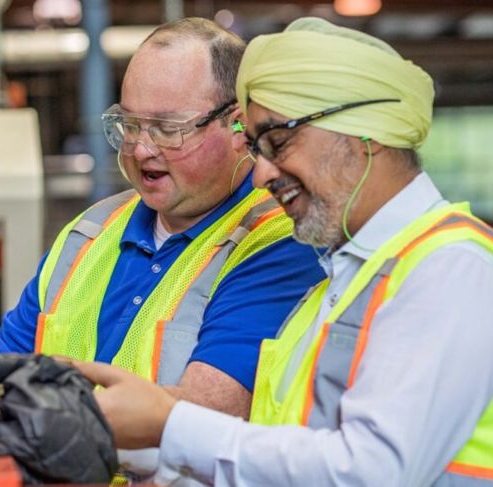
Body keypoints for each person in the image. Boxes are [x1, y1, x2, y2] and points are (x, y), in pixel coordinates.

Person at [70, 17, 493, 486]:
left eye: (278, 143)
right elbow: (287, 448)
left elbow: (370, 471)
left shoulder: (449, 269)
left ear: (362, 135)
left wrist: (170, 425)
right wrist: (148, 447)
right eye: (256, 148)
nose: (261, 176)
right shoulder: (341, 283)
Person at [0, 17, 324, 422]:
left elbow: (200, 420)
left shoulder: (277, 243)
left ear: (237, 124)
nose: (141, 150)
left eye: (166, 128)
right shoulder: (94, 229)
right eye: (128, 125)